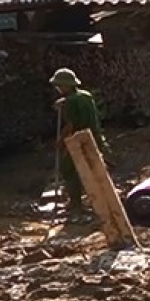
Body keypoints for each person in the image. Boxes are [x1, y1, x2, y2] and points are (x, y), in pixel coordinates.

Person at [50, 68, 106, 217]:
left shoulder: (71, 102)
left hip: (78, 140)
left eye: (60, 86)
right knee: (94, 168)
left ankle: (75, 203)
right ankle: (100, 200)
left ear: (66, 85)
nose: (58, 88)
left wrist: (60, 141)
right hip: (94, 137)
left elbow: (71, 125)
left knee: (69, 169)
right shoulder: (86, 96)